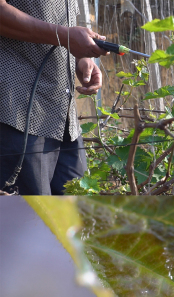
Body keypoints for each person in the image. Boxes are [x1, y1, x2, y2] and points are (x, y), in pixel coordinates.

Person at [0, 0, 109, 195]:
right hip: (17, 112)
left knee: (75, 217)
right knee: (27, 218)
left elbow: (57, 19)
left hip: (63, 118)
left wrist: (82, 56)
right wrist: (65, 36)